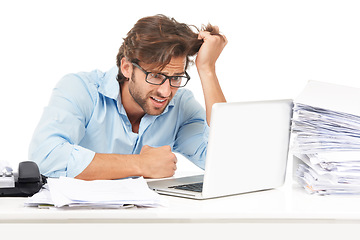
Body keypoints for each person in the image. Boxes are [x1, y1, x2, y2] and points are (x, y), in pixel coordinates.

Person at [28, 15, 227, 180]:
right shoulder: (81, 89)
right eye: (156, 76)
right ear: (127, 68)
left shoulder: (181, 105)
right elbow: (46, 157)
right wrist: (141, 164)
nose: (166, 92)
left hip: (148, 220)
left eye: (176, 78)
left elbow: (224, 162)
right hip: (80, 219)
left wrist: (207, 70)